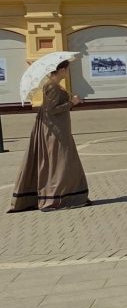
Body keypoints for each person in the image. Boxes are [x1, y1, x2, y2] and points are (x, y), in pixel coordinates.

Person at [8, 61, 89, 212]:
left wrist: (71, 101)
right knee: (61, 162)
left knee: (64, 162)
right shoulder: (52, 86)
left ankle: (66, 195)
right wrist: (72, 102)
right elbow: (51, 110)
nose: (68, 73)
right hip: (56, 130)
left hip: (58, 128)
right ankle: (57, 197)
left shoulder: (54, 85)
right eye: (67, 70)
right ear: (62, 69)